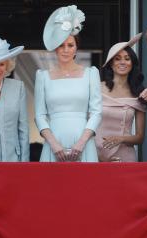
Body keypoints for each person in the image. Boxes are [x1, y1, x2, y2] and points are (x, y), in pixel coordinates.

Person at [35, 5, 101, 162]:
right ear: (55, 49)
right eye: (61, 45)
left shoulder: (91, 74)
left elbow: (96, 112)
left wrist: (81, 142)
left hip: (84, 143)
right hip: (53, 144)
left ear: (76, 48)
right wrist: (54, 144)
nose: (65, 50)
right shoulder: (42, 76)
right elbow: (39, 115)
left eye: (70, 45)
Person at [97, 33, 146, 162]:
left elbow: (140, 137)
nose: (122, 62)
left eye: (127, 58)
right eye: (117, 59)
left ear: (132, 63)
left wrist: (121, 138)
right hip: (96, 155)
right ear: (111, 64)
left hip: (125, 157)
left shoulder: (139, 94)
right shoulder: (97, 89)